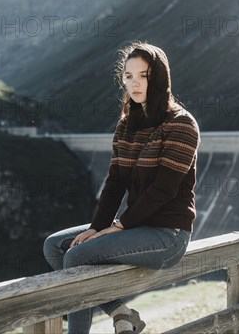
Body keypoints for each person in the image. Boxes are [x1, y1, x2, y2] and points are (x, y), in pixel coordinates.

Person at [42, 41, 201, 334]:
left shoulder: (181, 124)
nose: (135, 83)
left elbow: (162, 191)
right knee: (56, 246)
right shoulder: (127, 125)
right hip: (135, 227)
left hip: (168, 234)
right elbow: (115, 183)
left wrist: (120, 225)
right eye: (128, 76)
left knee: (76, 257)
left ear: (159, 78)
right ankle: (121, 312)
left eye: (144, 75)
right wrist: (97, 226)